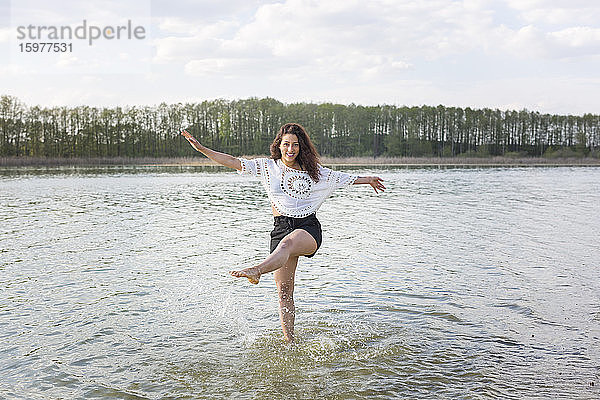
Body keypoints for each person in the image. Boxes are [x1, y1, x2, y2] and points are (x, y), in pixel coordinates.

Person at [181, 123, 385, 342]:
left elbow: (342, 178)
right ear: (278, 145)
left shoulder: (314, 172)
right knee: (284, 291)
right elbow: (232, 161)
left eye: (295, 145)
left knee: (287, 245)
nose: (291, 149)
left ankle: (257, 270)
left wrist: (368, 180)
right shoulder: (268, 167)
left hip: (307, 228)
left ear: (301, 147)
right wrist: (202, 149)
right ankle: (290, 342)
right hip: (280, 228)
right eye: (286, 144)